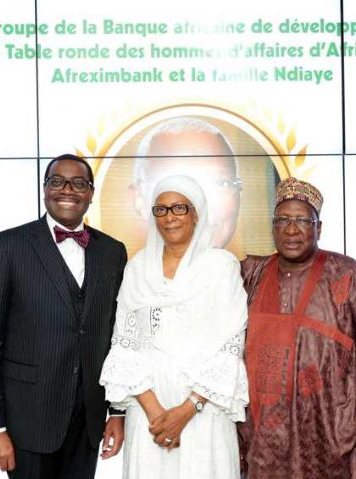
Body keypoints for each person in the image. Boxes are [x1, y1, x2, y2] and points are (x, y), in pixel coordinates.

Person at [238, 177, 356, 479]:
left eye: (301, 220)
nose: (291, 229)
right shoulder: (252, 276)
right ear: (272, 227)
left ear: (318, 228)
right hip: (264, 443)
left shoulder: (347, 276)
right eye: (282, 220)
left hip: (331, 440)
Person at [0, 154, 127, 478]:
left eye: (79, 183)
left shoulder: (112, 251)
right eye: (57, 181)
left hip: (88, 422)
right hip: (27, 422)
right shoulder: (7, 246)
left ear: (91, 193)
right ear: (44, 189)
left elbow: (117, 335)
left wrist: (117, 412)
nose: (67, 190)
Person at [100, 175, 249, 478]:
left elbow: (231, 345)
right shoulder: (137, 268)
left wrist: (186, 411)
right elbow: (124, 344)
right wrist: (157, 415)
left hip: (204, 410)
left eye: (180, 208)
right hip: (147, 413)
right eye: (161, 209)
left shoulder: (222, 267)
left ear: (197, 214)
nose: (170, 217)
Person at [129, 117, 242, 248]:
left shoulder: (252, 268)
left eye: (221, 183)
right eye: (176, 186)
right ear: (139, 199)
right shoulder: (132, 267)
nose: (200, 208)